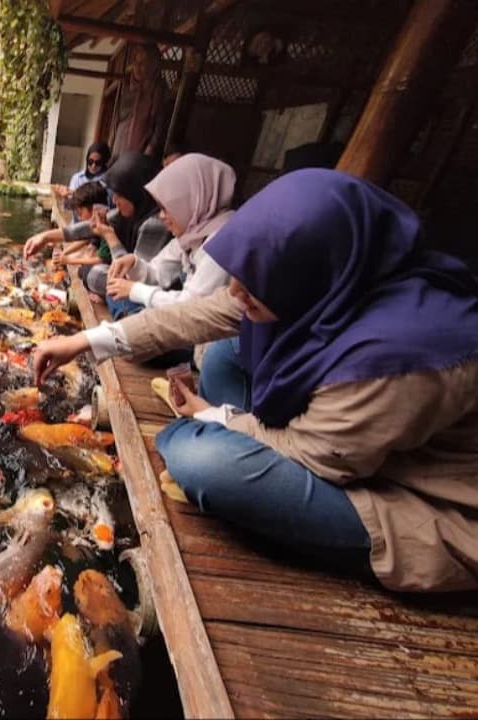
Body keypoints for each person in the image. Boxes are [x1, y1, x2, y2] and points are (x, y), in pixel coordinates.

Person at [33, 169, 478, 592]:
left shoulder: (393, 361)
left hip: (410, 508)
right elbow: (204, 313)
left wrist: (214, 416)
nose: (234, 291)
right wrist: (87, 341)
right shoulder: (332, 283)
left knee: (196, 458)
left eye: (251, 282)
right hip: (347, 443)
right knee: (230, 347)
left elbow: (309, 454)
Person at [105, 154, 237, 325]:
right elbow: (158, 272)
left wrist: (135, 290)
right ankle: (130, 323)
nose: (162, 216)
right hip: (171, 311)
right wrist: (134, 263)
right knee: (114, 291)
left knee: (119, 294)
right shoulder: (191, 233)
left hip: (195, 333)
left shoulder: (220, 242)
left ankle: (130, 325)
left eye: (167, 208)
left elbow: (191, 309)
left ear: (193, 201)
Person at [26, 152, 170, 301]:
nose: (114, 200)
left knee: (94, 274)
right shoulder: (125, 214)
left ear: (135, 193)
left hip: (145, 291)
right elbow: (84, 229)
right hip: (124, 280)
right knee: (89, 272)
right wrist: (44, 237)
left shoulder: (154, 224)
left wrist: (109, 236)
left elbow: (135, 276)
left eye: (119, 195)